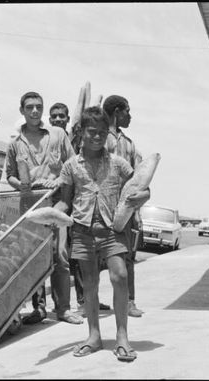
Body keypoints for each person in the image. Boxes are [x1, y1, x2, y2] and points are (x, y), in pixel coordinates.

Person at [54, 106, 149, 361]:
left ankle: (122, 337)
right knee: (91, 285)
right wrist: (52, 215)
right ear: (81, 132)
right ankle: (94, 337)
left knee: (119, 276)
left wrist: (143, 196)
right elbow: (65, 202)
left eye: (102, 133)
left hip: (113, 231)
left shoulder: (119, 164)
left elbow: (141, 188)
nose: (97, 137)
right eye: (92, 132)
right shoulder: (70, 166)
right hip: (83, 232)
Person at [5, 91, 83, 325]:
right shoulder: (14, 144)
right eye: (30, 107)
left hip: (57, 205)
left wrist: (59, 181)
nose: (35, 111)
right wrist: (22, 186)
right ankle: (38, 309)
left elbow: (73, 165)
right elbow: (9, 175)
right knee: (34, 258)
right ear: (22, 111)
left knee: (60, 256)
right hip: (29, 208)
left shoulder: (58, 135)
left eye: (39, 107)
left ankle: (63, 309)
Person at [49, 103, 111, 314]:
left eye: (62, 116)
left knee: (106, 272)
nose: (58, 119)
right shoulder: (55, 142)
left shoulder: (110, 161)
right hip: (69, 215)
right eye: (54, 116)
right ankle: (80, 305)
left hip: (97, 220)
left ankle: (87, 302)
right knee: (69, 262)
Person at [102, 94, 147, 318]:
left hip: (125, 209)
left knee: (127, 255)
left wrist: (136, 210)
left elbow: (137, 179)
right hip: (100, 207)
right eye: (127, 111)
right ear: (117, 111)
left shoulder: (128, 144)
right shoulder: (99, 137)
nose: (130, 116)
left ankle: (129, 301)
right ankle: (86, 301)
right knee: (91, 256)